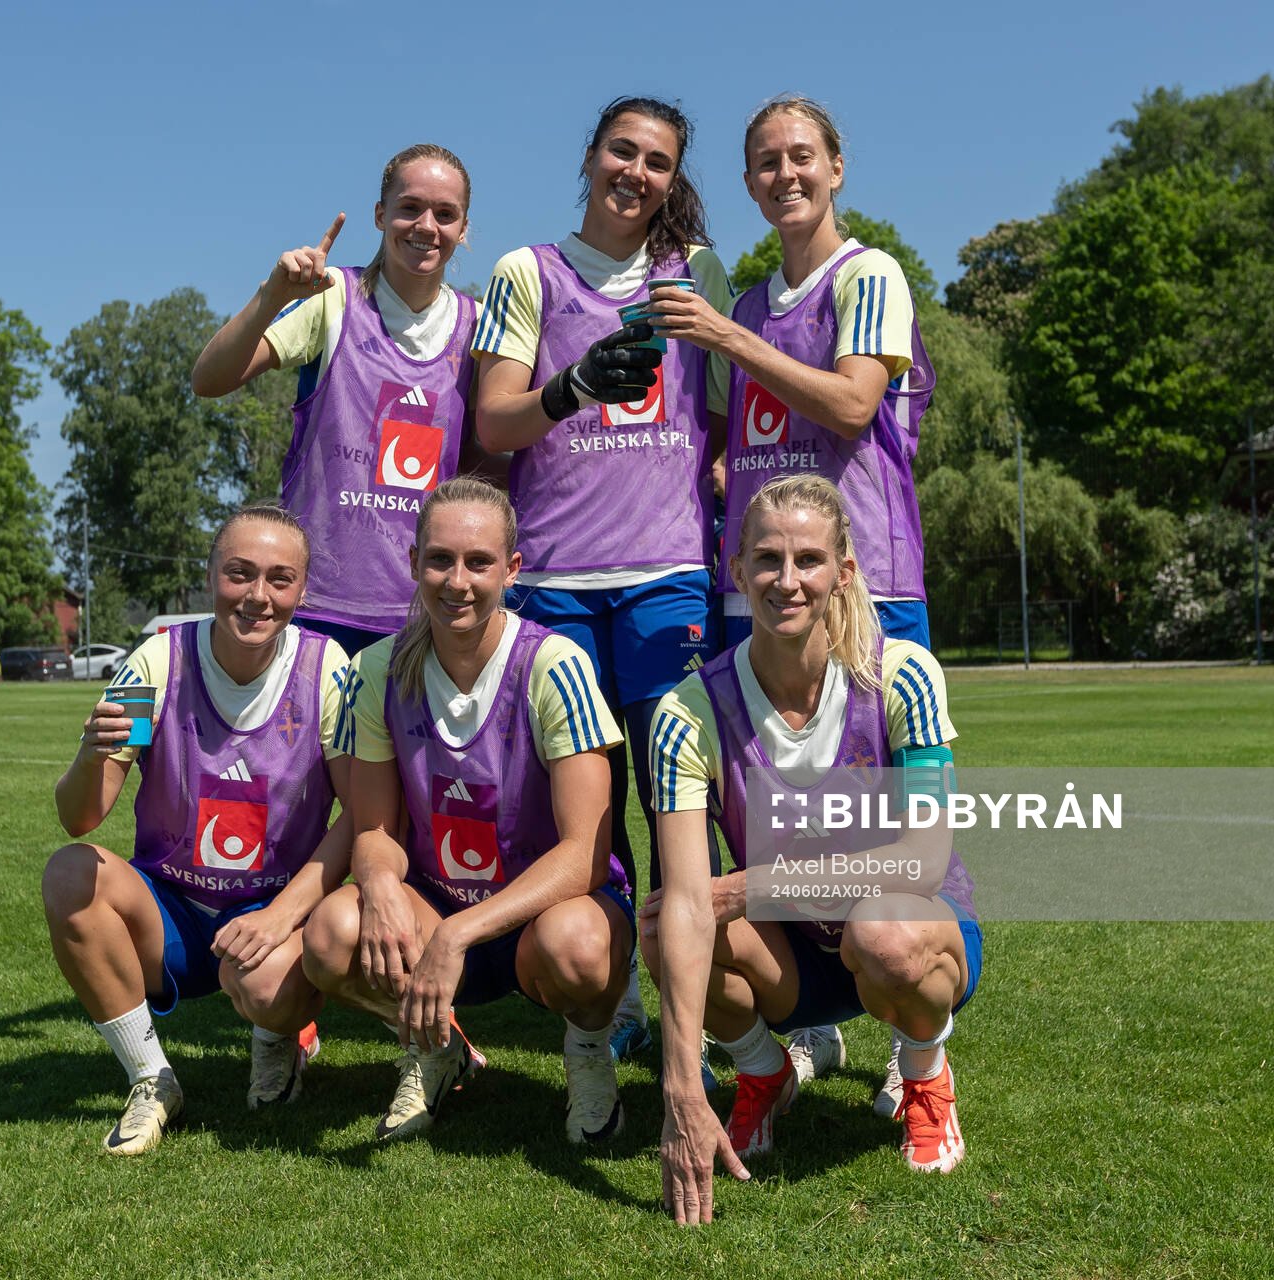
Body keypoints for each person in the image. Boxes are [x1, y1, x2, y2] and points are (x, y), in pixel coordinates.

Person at [641, 94, 936, 1088]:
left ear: (837, 167)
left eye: (800, 156)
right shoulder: (757, 297)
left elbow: (853, 403)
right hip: (758, 588)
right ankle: (796, 1012)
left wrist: (727, 339)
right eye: (764, 162)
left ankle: (911, 1034)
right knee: (759, 808)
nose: (784, 175)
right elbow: (731, 436)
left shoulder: (870, 275)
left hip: (866, 579)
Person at [643, 475, 982, 1225]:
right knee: (664, 922)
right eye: (766, 559)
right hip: (791, 958)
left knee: (885, 929)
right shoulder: (687, 712)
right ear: (735, 571)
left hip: (908, 931)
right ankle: (764, 1073)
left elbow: (922, 862)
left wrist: (747, 888)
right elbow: (693, 906)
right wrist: (679, 1090)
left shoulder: (902, 675)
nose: (787, 580)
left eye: (808, 560)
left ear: (844, 573)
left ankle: (925, 1072)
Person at [470, 96, 733, 1055]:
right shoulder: (525, 272)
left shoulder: (696, 271)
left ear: (672, 179)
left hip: (670, 575)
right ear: (589, 157)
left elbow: (731, 400)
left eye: (657, 161)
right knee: (592, 800)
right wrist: (572, 387)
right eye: (622, 151)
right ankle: (616, 995)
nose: (636, 172)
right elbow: (493, 425)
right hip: (557, 582)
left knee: (684, 793)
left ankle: (705, 999)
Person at [301, 476, 635, 1144]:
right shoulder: (375, 670)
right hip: (438, 904)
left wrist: (457, 935)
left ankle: (589, 1056)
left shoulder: (555, 665)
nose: (458, 581)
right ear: (413, 562)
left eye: (478, 562)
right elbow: (375, 828)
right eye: (440, 560)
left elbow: (584, 856)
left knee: (581, 947)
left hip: (544, 916)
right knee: (333, 934)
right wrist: (376, 882)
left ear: (512, 570)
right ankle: (434, 1047)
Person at [42, 505, 353, 1155]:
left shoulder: (328, 669)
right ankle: (151, 1078)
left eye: (279, 578)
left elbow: (362, 816)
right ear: (209, 574)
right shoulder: (156, 659)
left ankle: (277, 1040)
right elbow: (81, 818)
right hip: (174, 912)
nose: (257, 597)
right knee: (70, 873)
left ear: (302, 588)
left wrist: (283, 917)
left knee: (267, 987)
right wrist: (91, 752)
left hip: (275, 909)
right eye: (239, 573)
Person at [192, 144, 480, 656]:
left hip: (425, 612)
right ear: (380, 215)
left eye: (445, 214)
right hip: (315, 604)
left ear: (463, 229)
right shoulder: (334, 298)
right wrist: (272, 296)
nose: (426, 225)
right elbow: (209, 379)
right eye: (410, 207)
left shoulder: (477, 327)